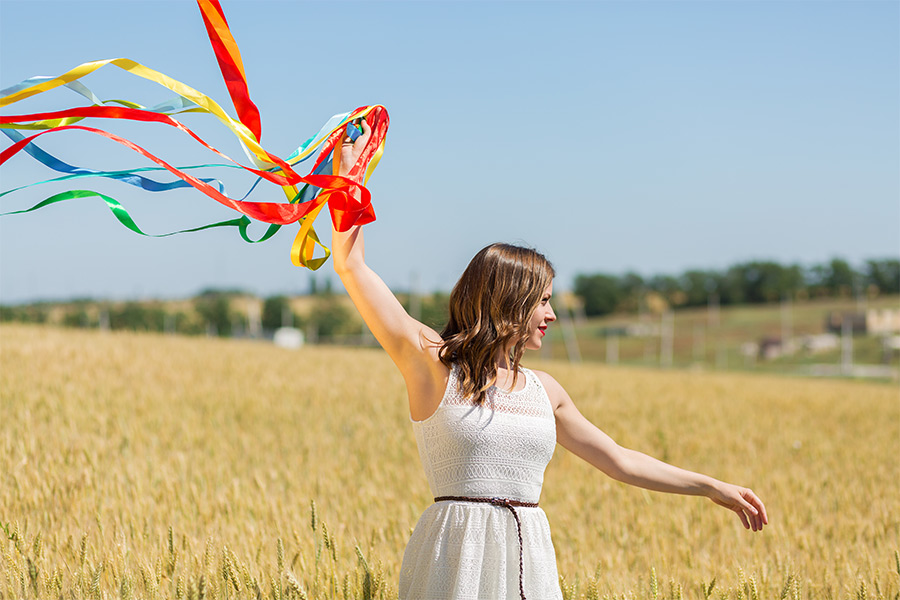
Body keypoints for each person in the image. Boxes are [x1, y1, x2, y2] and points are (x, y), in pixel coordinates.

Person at [331, 120, 768, 600]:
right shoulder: (434, 366)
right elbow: (353, 267)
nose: (552, 314)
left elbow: (621, 461)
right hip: (453, 563)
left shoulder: (546, 391)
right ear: (508, 301)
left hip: (528, 563)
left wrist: (711, 487)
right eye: (542, 301)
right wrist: (348, 182)